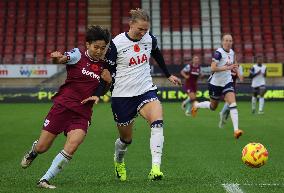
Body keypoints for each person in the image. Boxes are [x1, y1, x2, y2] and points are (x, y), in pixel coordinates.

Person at [20, 26, 112, 189]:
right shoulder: (77, 55)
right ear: (88, 45)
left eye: (103, 48)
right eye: (96, 47)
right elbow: (62, 59)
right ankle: (34, 151)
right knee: (43, 147)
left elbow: (100, 92)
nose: (99, 51)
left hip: (83, 113)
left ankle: (45, 179)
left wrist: (107, 82)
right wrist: (57, 58)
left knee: (73, 144)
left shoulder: (105, 65)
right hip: (63, 107)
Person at [105, 8, 181, 181]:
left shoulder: (149, 39)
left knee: (158, 123)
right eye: (140, 29)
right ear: (130, 24)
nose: (143, 33)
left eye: (146, 29)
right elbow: (107, 72)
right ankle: (119, 160)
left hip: (145, 90)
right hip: (122, 96)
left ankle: (155, 168)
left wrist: (168, 75)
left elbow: (157, 53)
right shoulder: (116, 43)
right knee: (126, 139)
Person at [191, 33, 243, 139]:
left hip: (227, 82)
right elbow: (213, 68)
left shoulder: (232, 53)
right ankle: (196, 105)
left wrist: (238, 72)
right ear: (222, 42)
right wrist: (227, 68)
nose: (228, 43)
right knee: (213, 107)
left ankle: (236, 130)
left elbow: (235, 64)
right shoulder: (218, 53)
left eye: (230, 41)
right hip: (215, 84)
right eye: (226, 40)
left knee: (232, 103)